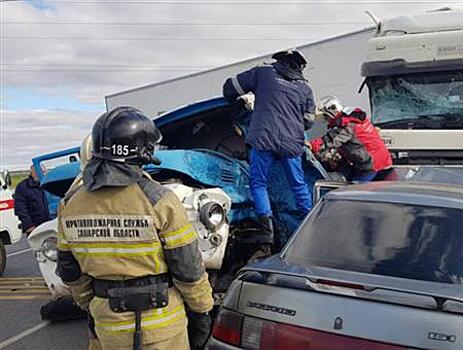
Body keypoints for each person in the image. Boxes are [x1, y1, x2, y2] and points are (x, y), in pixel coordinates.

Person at [56, 107, 214, 350]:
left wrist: (93, 304)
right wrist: (202, 310)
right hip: (163, 328)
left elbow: (70, 271)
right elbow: (188, 268)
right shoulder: (160, 201)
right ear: (144, 151)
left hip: (108, 328)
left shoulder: (69, 204)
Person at [222, 49, 315, 257]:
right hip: (292, 143)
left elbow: (231, 87)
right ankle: (310, 230)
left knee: (258, 184)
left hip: (263, 138)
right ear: (299, 67)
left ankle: (266, 238)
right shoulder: (305, 88)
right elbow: (308, 122)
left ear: (279, 61)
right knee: (298, 185)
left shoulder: (263, 73)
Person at [309, 95, 392, 182]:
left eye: (326, 116)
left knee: (352, 192)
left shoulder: (346, 125)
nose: (326, 119)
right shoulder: (353, 118)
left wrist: (311, 145)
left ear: (332, 112)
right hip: (382, 161)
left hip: (370, 165)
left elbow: (329, 141)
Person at [14, 165, 50, 235]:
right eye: (38, 171)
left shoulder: (48, 184)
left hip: (51, 224)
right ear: (32, 172)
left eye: (44, 172)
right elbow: (20, 209)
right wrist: (29, 226)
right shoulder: (23, 187)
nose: (41, 174)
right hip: (35, 227)